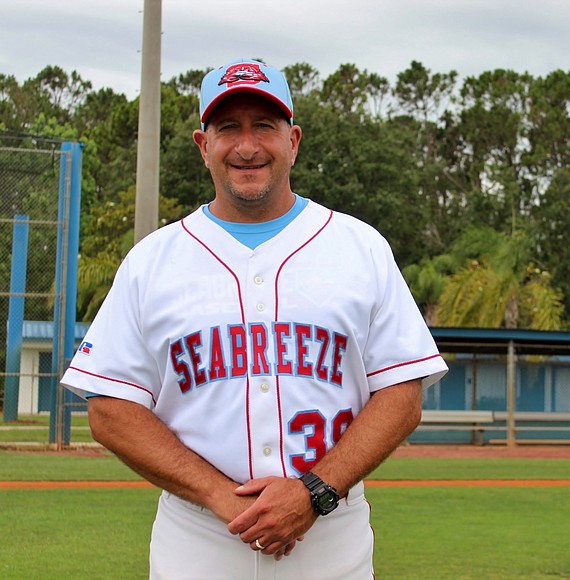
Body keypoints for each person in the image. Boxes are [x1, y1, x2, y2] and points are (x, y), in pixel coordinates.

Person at [60, 58, 448, 579]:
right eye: (228, 128)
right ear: (203, 145)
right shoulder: (153, 261)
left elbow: (402, 395)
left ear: (294, 140)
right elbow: (110, 408)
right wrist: (221, 496)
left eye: (264, 126)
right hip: (197, 540)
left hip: (331, 537)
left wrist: (315, 491)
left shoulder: (359, 248)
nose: (247, 146)